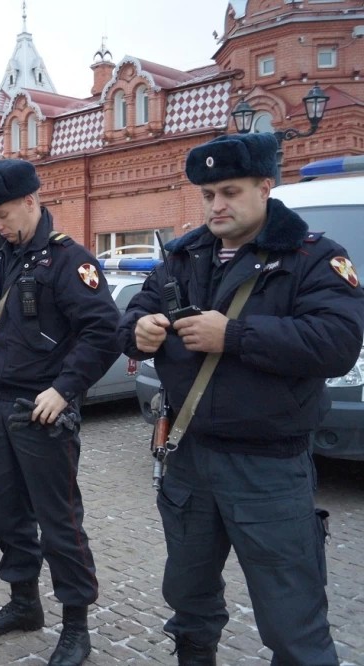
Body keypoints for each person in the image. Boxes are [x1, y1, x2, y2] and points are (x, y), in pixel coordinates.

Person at [118, 133, 364, 665]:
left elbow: (338, 343)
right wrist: (138, 329)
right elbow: (133, 313)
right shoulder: (184, 256)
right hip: (189, 457)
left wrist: (233, 336)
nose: (216, 206)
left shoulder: (312, 257)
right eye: (208, 195)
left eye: (230, 192)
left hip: (268, 465)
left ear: (265, 187)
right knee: (188, 599)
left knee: (293, 620)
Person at [0, 159, 120, 666]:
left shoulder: (68, 260)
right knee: (7, 516)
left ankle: (76, 626)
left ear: (31, 201)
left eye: (3, 214)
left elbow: (105, 332)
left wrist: (64, 390)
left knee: (59, 523)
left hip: (42, 408)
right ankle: (23, 604)